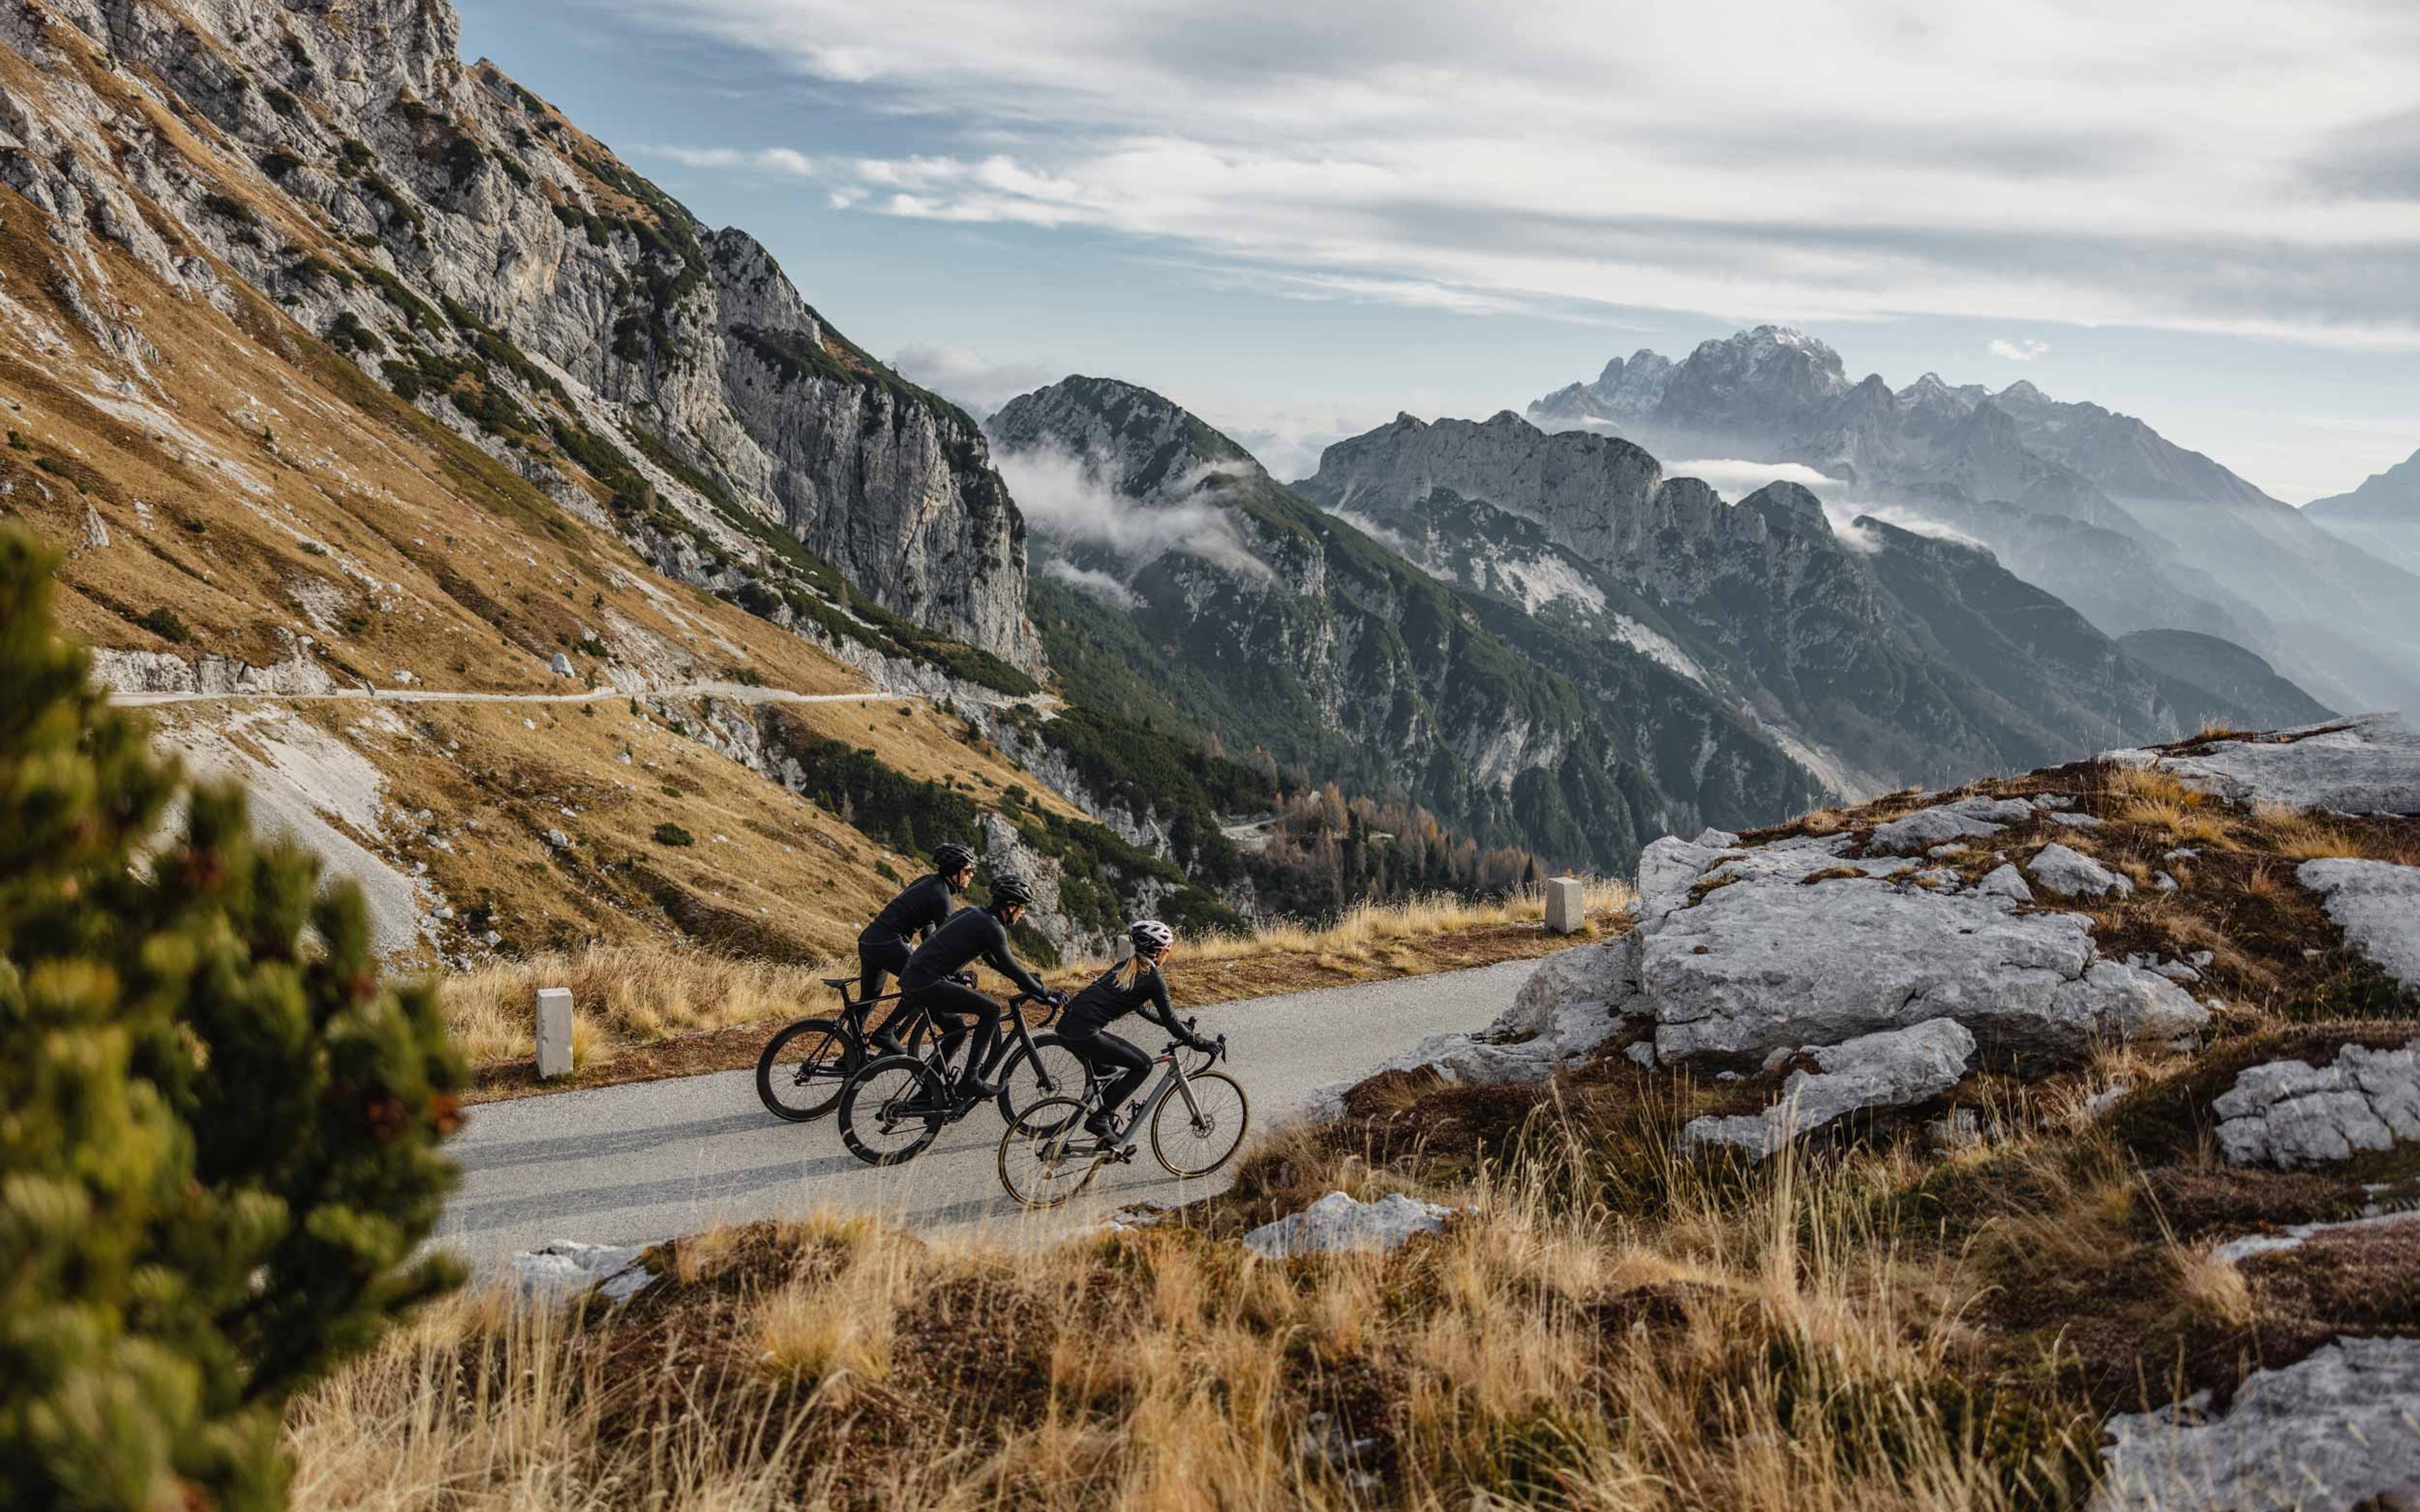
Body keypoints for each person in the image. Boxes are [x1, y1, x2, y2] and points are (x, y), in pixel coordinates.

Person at [894, 873, 1057, 1099]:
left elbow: (995, 961)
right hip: (928, 982)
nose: (1023, 913)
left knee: (956, 1033)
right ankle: (970, 1080)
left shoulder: (975, 913)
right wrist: (1045, 993)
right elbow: (1010, 967)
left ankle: (927, 1093)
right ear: (1010, 907)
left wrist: (1028, 981)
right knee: (992, 1010)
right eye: (1022, 907)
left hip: (915, 978)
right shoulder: (993, 927)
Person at [1057, 920, 1211, 1143]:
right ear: (1158, 951)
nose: (1168, 954)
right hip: (1085, 1033)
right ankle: (1099, 1121)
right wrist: (1200, 1042)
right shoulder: (1153, 979)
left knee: (1110, 1075)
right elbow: (1172, 1024)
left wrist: (1181, 1028)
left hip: (1066, 1027)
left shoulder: (1125, 965)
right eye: (1168, 950)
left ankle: (1106, 1135)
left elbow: (1143, 1009)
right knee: (1143, 1065)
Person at [858, 842, 977, 1054]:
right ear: (955, 871)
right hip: (888, 942)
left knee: (867, 1003)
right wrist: (958, 972)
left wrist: (928, 954)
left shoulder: (930, 882)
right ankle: (887, 1032)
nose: (972, 875)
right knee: (920, 983)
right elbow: (946, 943)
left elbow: (928, 929)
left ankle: (851, 1054)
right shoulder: (943, 897)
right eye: (968, 871)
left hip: (870, 941)